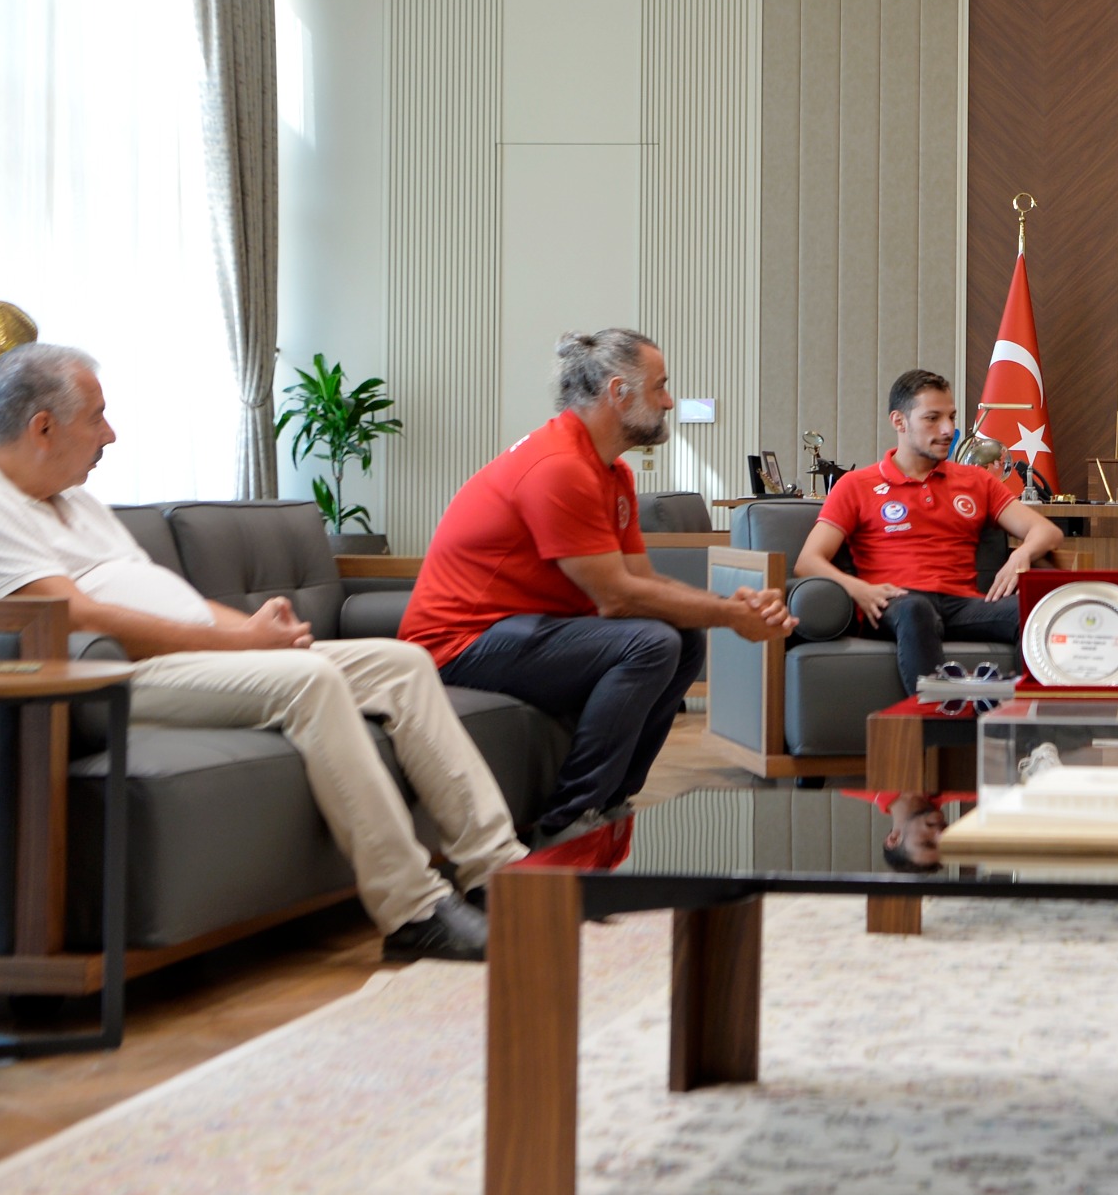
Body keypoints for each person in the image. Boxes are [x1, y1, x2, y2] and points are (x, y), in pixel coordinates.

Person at [0, 346, 520, 962]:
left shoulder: (72, 498)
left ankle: (502, 873)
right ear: (42, 427)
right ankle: (414, 909)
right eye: (96, 417)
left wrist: (262, 630)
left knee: (401, 665)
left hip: (190, 657)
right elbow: (79, 617)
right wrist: (245, 642)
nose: (110, 434)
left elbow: (170, 600)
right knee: (308, 680)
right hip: (112, 673)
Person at [403, 330, 796, 848]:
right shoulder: (559, 466)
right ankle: (569, 820)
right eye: (660, 387)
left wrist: (725, 606)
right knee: (651, 642)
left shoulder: (610, 473)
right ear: (618, 392)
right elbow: (617, 599)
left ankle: (611, 803)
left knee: (682, 638)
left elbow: (641, 581)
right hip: (459, 646)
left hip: (524, 630)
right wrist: (730, 615)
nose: (669, 402)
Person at [795, 368, 1064, 695]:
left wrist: (1022, 554)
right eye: (933, 419)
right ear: (899, 421)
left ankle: (1032, 718)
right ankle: (936, 715)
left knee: (1039, 607)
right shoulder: (857, 484)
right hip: (896, 603)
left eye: (951, 417)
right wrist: (859, 589)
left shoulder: (976, 481)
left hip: (963, 605)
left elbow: (1046, 532)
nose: (948, 429)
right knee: (915, 608)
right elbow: (808, 561)